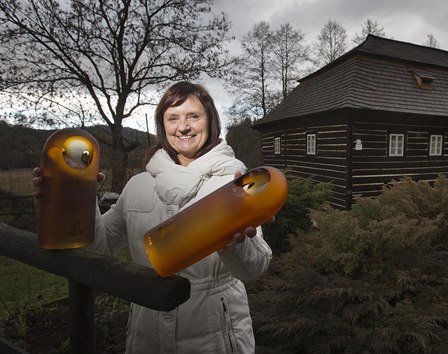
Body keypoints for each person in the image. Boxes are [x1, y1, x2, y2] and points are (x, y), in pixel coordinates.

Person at [33, 81, 272, 353]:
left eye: (194, 116)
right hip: (147, 335)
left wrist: (237, 241)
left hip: (215, 336)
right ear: (163, 126)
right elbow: (100, 248)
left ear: (211, 122)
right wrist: (76, 199)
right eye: (173, 118)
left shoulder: (233, 183)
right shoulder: (139, 185)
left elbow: (254, 269)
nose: (183, 127)